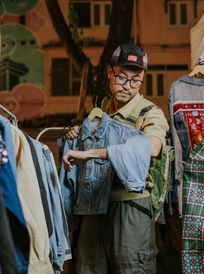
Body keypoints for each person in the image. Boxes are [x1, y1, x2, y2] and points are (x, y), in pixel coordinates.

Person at [63, 44, 169, 274]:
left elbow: (151, 147)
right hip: (94, 205)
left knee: (132, 268)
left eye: (135, 80)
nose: (127, 86)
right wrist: (78, 132)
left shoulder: (150, 113)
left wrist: (92, 153)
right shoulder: (101, 111)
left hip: (130, 208)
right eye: (121, 78)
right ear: (110, 73)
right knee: (88, 268)